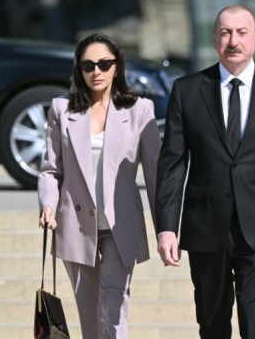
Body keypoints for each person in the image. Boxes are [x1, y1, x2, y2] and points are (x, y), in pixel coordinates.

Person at [155, 5, 255, 338]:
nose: (233, 41)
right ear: (214, 39)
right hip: (206, 227)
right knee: (211, 327)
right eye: (225, 33)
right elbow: (172, 164)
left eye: (241, 33)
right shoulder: (187, 90)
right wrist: (166, 228)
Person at [38, 33, 161, 338]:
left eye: (104, 64)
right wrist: (48, 205)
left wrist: (166, 229)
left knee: (114, 304)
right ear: (79, 69)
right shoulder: (62, 109)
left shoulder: (140, 110)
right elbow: (51, 170)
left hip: (121, 224)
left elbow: (156, 174)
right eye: (88, 65)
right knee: (88, 309)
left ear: (117, 67)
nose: (97, 71)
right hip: (75, 224)